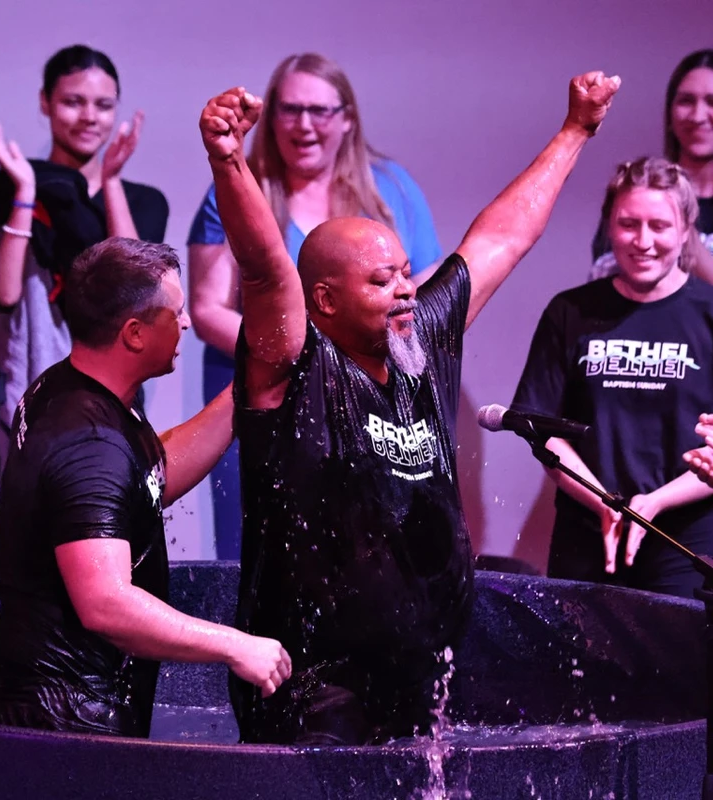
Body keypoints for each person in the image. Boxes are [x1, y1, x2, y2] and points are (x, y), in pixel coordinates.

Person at [198, 70, 620, 745]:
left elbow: (501, 239)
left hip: (421, 670)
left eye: (402, 272)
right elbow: (265, 269)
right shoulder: (294, 367)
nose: (404, 289)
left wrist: (576, 130)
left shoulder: (420, 338)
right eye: (380, 279)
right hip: (311, 686)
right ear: (325, 301)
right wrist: (228, 159)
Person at [0, 237, 291, 737]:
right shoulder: (88, 441)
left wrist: (247, 388)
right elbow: (105, 603)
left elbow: (144, 479)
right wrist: (235, 645)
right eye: (175, 313)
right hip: (59, 721)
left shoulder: (70, 386)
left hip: (45, 699)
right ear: (135, 333)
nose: (185, 324)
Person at [187, 53, 443, 559]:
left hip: (374, 401)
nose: (305, 125)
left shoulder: (391, 188)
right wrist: (301, 356)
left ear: (347, 118)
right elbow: (206, 309)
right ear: (271, 116)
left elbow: (430, 294)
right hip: (266, 396)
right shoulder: (239, 188)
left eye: (320, 111)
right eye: (290, 109)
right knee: (260, 549)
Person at [0, 44, 169, 430]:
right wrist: (24, 192)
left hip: (116, 394)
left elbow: (137, 288)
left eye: (103, 105)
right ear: (45, 102)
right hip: (27, 393)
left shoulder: (146, 201)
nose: (89, 117)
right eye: (73, 101)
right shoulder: (8, 192)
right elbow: (4, 295)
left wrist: (113, 180)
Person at [513, 157, 713, 599]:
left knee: (681, 665)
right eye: (628, 224)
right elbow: (538, 428)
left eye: (659, 225)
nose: (643, 241)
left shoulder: (708, 313)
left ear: (685, 231)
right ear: (609, 226)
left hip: (685, 544)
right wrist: (602, 500)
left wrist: (655, 503)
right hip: (588, 536)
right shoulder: (570, 312)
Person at [589, 49, 713, 283]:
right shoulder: (638, 193)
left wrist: (693, 249)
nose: (697, 116)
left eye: (712, 102)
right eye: (686, 101)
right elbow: (604, 281)